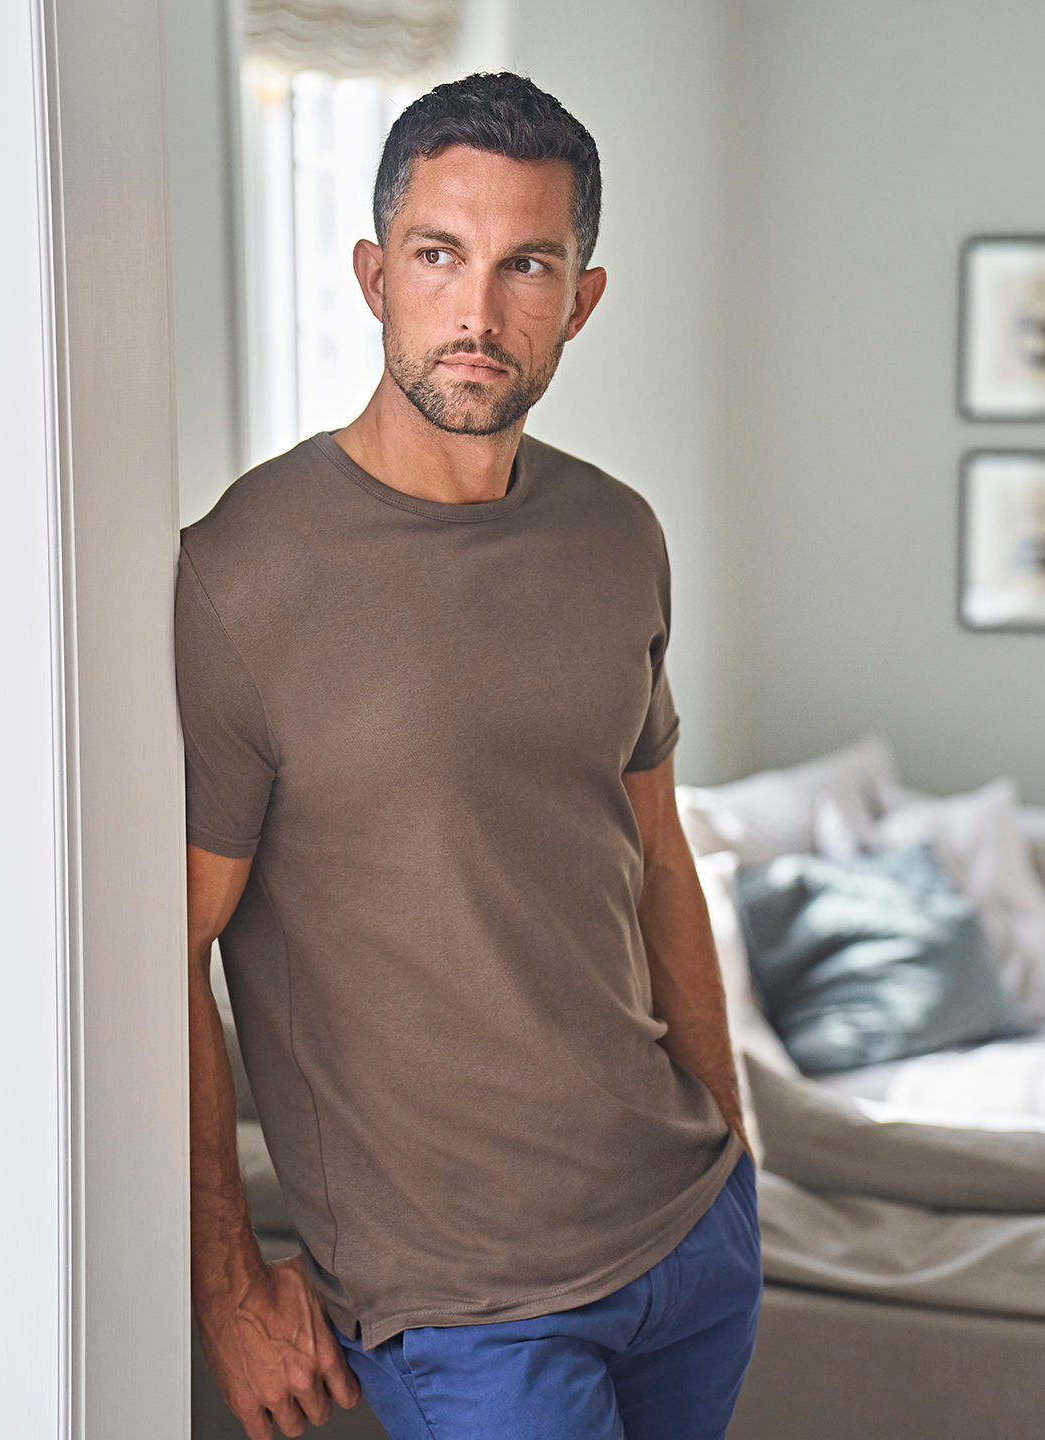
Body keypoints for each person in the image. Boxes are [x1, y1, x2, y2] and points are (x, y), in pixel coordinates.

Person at [176, 70, 762, 1440]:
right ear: (375, 274)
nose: (477, 315)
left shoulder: (618, 535)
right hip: (465, 1309)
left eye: (527, 266)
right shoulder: (236, 576)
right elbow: (166, 951)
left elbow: (655, 851)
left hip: (687, 1238)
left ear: (583, 299)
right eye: (439, 255)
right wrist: (228, 1287)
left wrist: (733, 1143)